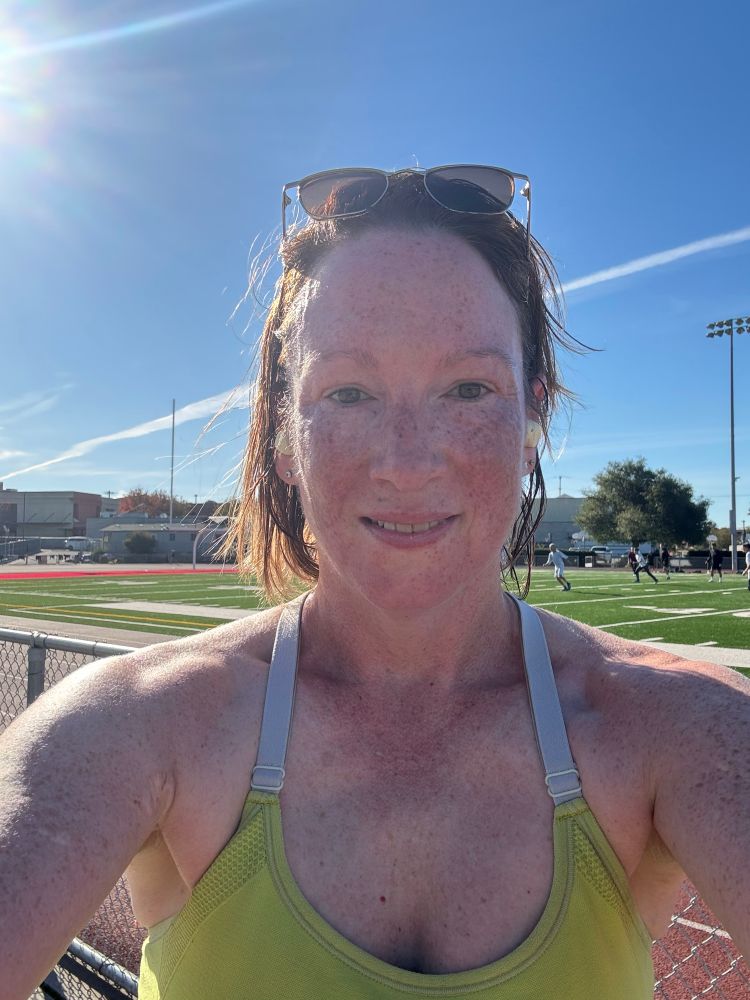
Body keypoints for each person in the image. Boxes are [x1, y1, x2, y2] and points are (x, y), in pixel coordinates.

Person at [2, 167, 749, 1000]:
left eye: (468, 388)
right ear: (285, 436)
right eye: (349, 392)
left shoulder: (682, 727)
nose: (406, 461)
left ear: (532, 419)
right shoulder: (138, 724)